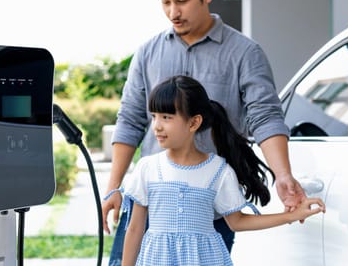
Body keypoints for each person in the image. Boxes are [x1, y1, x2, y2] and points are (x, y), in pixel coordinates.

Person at [102, 0, 307, 265]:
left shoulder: (244, 53)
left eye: (182, 0)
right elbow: (130, 119)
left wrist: (283, 175)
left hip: (209, 207)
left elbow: (265, 117)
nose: (173, 12)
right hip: (150, 205)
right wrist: (114, 188)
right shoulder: (148, 52)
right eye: (165, 2)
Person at [120, 75, 325, 266]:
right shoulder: (147, 168)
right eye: (154, 116)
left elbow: (237, 222)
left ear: (194, 122)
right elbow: (135, 229)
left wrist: (290, 215)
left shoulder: (218, 171)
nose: (156, 126)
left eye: (166, 117)